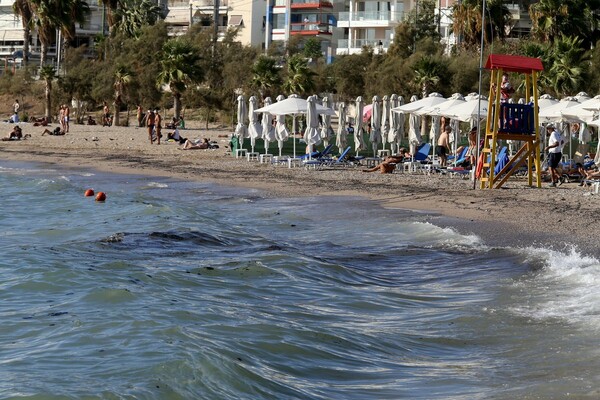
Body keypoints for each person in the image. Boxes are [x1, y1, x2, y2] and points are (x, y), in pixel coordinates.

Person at [545, 123, 564, 187]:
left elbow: (557, 143)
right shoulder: (557, 133)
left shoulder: (553, 134)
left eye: (548, 128)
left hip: (554, 153)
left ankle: (553, 182)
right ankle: (560, 177)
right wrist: (559, 147)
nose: (547, 130)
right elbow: (562, 142)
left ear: (551, 128)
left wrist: (548, 147)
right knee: (552, 167)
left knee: (550, 168)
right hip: (558, 152)